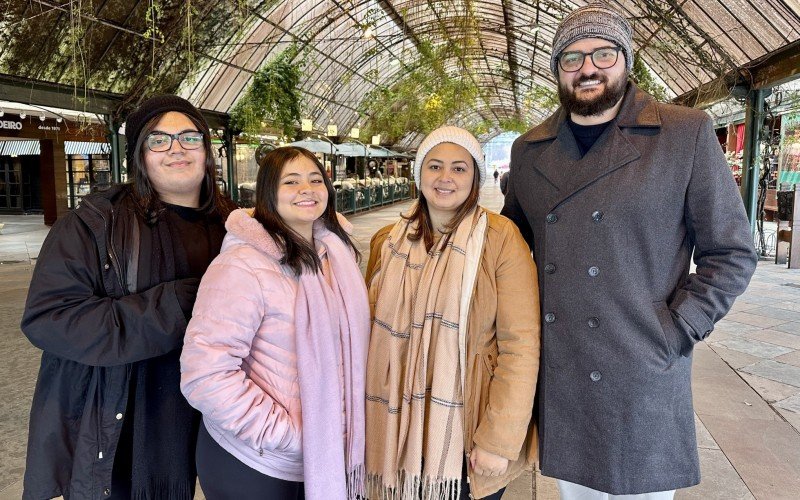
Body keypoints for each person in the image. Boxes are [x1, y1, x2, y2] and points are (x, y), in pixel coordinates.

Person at [501, 2, 758, 499]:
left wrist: (677, 329)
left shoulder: (683, 133)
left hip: (641, 367)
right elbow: (508, 252)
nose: (588, 68)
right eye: (571, 58)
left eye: (603, 53)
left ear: (626, 59)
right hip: (564, 370)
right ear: (557, 70)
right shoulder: (530, 149)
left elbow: (731, 252)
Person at [21, 95, 233, 499]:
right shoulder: (96, 223)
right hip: (123, 418)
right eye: (159, 140)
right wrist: (176, 305)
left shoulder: (237, 225)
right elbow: (51, 318)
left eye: (190, 137)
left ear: (206, 151)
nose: (176, 149)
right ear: (140, 155)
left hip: (214, 414)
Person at [180, 146, 369, 500]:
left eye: (316, 179)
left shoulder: (335, 257)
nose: (307, 189)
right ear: (268, 193)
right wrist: (291, 435)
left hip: (322, 455)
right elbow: (205, 375)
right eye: (291, 181)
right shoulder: (241, 266)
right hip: (257, 463)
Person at [365, 126, 541, 500]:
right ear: (419, 174)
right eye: (435, 166)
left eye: (459, 168)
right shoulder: (386, 241)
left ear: (475, 178)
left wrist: (499, 439)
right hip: (391, 428)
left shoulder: (501, 239)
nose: (445, 178)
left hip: (466, 430)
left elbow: (520, 345)